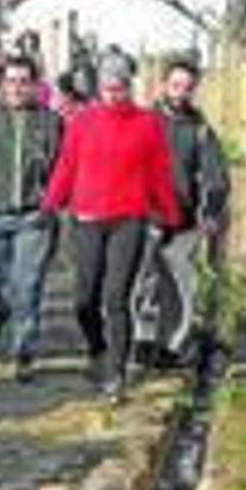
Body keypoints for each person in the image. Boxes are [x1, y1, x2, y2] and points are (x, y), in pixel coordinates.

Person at [42, 50, 180, 404]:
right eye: (107, 89)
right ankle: (97, 348)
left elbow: (160, 173)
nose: (113, 95)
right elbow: (66, 166)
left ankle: (115, 375)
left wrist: (168, 215)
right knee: (84, 300)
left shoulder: (147, 123)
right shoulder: (83, 122)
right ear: (99, 88)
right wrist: (50, 205)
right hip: (87, 218)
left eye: (119, 88)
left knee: (116, 298)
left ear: (128, 87)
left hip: (128, 220)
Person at [0, 54, 65, 382]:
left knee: (28, 285)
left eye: (24, 81)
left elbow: (62, 170)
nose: (18, 88)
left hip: (34, 218)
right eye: (11, 81)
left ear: (35, 85)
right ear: (1, 85)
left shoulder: (51, 122)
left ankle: (23, 351)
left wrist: (50, 206)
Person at [133, 57, 231, 369]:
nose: (180, 93)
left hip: (184, 221)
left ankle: (171, 347)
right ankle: (142, 342)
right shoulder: (144, 122)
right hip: (145, 216)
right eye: (175, 86)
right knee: (143, 283)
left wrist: (211, 208)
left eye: (187, 88)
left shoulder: (200, 130)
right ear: (164, 85)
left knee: (182, 286)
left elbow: (217, 174)